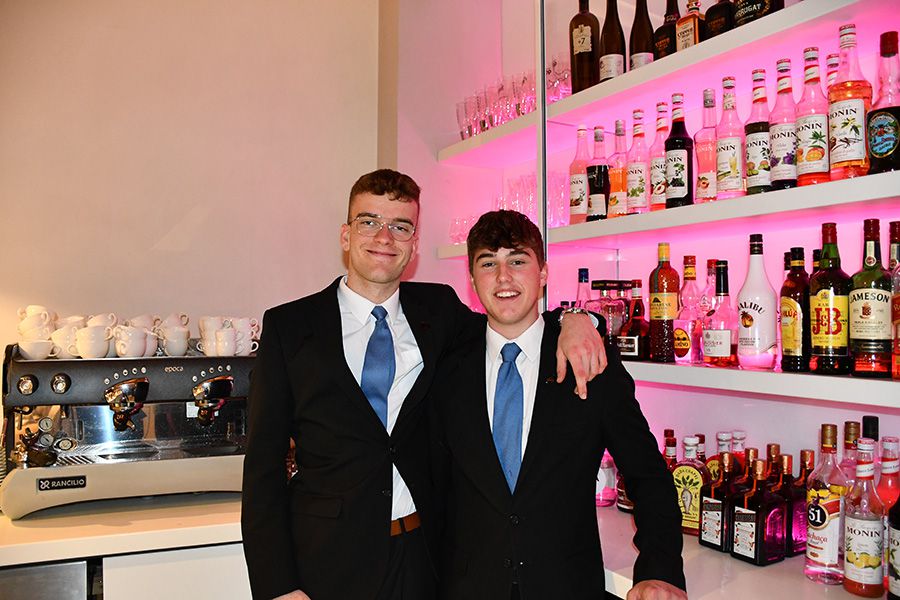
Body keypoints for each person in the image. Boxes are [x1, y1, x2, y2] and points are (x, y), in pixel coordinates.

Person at [241, 170, 607, 600]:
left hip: (424, 559)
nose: (385, 237)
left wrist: (576, 318)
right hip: (327, 561)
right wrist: (278, 585)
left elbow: (513, 323)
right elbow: (263, 467)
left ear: (414, 245)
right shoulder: (289, 327)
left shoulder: (439, 311)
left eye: (401, 227)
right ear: (345, 235)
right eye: (369, 222)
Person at [430, 209, 687, 600]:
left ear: (544, 273)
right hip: (467, 587)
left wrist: (660, 570)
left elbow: (648, 475)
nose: (503, 277)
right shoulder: (446, 368)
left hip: (566, 586)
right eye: (488, 263)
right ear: (471, 279)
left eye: (518, 261)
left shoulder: (591, 361)